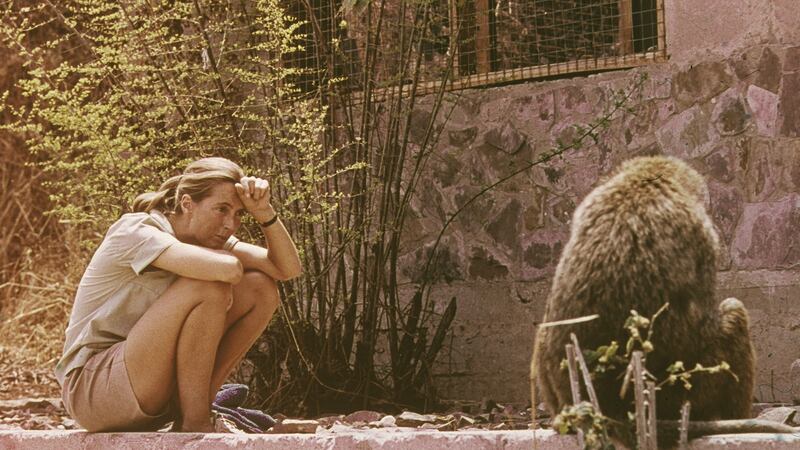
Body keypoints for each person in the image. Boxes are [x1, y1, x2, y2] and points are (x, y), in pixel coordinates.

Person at [54, 157, 302, 432]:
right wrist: (228, 259)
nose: (230, 224)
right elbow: (228, 270)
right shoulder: (138, 231)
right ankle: (196, 423)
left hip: (146, 385)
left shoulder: (204, 238)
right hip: (93, 390)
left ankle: (200, 405)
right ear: (187, 204)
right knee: (210, 285)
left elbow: (286, 268)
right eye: (221, 209)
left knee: (260, 289)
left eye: (239, 214)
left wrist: (265, 212)